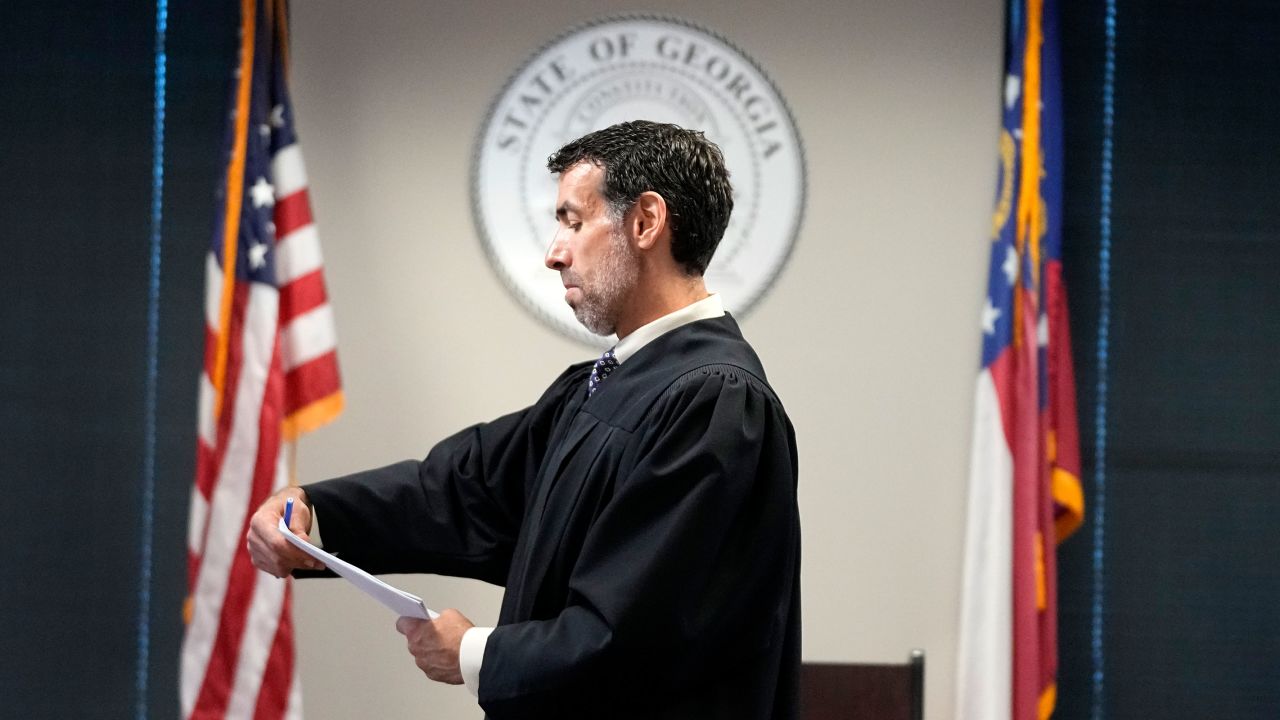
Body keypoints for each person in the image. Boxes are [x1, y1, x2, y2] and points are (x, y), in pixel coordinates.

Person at [246, 120, 801, 719]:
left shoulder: (714, 404)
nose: (553, 252)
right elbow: (467, 490)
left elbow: (640, 632)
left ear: (645, 222)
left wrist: (475, 654)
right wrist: (318, 516)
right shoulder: (615, 383)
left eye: (573, 221)